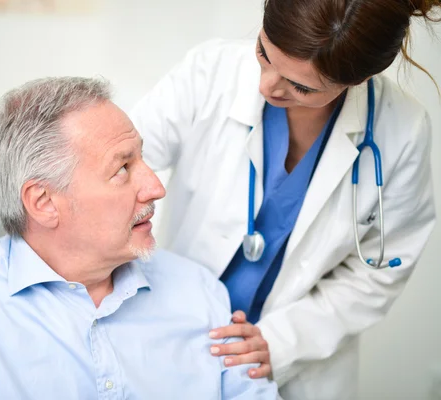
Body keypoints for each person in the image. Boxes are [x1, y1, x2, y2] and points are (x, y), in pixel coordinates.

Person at [0, 77, 280, 399]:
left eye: (142, 159)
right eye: (123, 169)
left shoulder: (200, 292)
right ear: (43, 202)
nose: (155, 187)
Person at [130, 0, 439, 399]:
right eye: (264, 52)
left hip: (292, 361)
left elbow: (380, 272)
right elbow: (121, 170)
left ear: (359, 78)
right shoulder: (210, 73)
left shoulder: (402, 131)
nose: (266, 86)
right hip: (170, 331)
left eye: (302, 87)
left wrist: (280, 342)